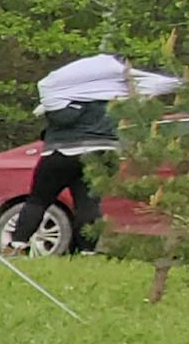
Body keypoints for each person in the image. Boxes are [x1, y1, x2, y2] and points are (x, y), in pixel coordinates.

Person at [26, 53, 136, 252]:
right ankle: (87, 251)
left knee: (38, 200)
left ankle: (16, 244)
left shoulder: (68, 99)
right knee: (88, 204)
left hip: (61, 153)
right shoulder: (119, 100)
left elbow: (62, 119)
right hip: (103, 152)